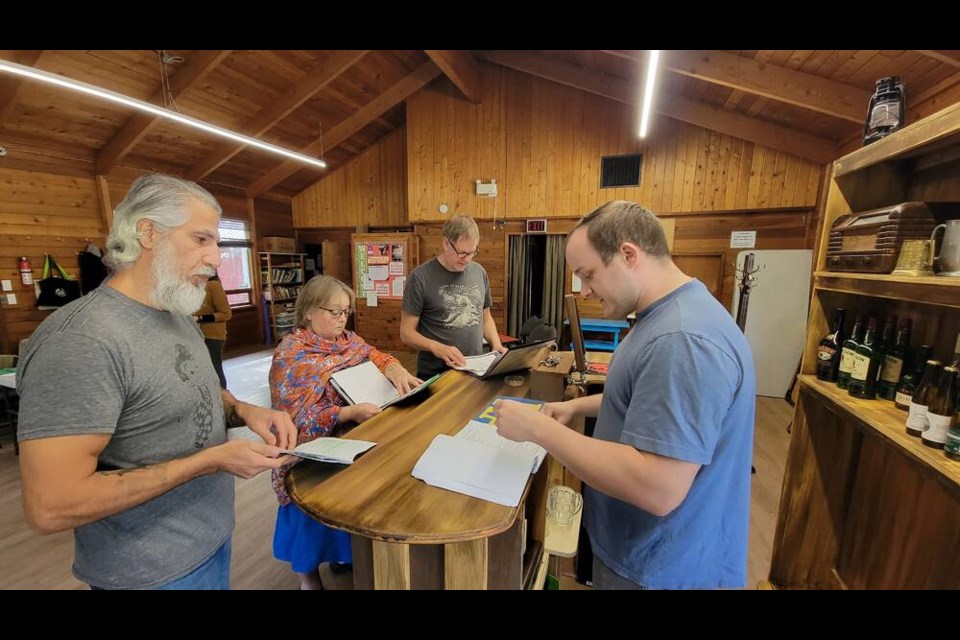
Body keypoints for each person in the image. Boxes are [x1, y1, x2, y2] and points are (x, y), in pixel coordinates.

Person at [16, 173, 297, 590]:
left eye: (217, 242)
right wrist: (209, 461)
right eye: (201, 240)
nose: (217, 258)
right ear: (148, 232)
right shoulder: (81, 340)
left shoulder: (175, 313)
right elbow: (52, 505)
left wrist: (243, 409)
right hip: (147, 571)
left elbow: (185, 392)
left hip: (208, 541)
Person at [493, 201, 756, 590]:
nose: (585, 290)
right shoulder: (670, 315)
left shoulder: (681, 340)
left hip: (662, 568)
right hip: (648, 555)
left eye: (588, 274)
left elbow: (658, 486)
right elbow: (651, 402)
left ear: (628, 255)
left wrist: (537, 429)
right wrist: (577, 405)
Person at [269, 274, 421, 590]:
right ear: (309, 311)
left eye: (346, 312)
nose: (342, 319)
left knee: (354, 501)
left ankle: (345, 556)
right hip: (308, 454)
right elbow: (295, 420)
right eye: (334, 312)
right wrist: (347, 412)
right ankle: (308, 577)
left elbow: (375, 355)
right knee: (307, 517)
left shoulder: (348, 341)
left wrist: (395, 368)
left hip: (351, 442)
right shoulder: (292, 352)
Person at [400, 215, 506, 379]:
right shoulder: (420, 277)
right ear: (445, 243)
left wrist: (496, 343)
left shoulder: (479, 272)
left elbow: (485, 318)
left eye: (472, 253)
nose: (467, 259)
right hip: (436, 373)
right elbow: (406, 333)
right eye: (462, 253)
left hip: (475, 369)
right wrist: (436, 347)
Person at [195, 272, 232, 388]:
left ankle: (223, 402)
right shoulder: (195, 286)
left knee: (215, 370)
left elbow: (226, 314)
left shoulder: (213, 285)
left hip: (212, 337)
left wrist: (200, 318)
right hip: (198, 336)